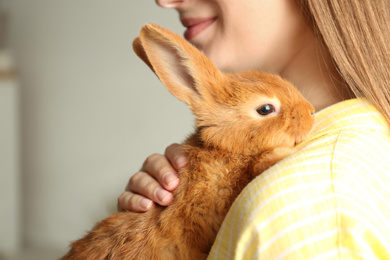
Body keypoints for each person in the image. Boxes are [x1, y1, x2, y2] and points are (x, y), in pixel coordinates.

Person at [119, 0, 390, 258]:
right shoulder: (366, 142)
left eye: (265, 109)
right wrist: (143, 237)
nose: (165, 2)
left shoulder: (299, 202)